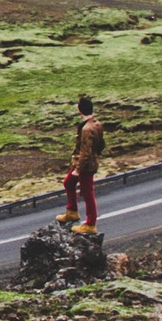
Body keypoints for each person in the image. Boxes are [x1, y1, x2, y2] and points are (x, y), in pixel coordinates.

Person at [61, 94, 104, 234]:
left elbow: (85, 152)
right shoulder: (96, 124)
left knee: (87, 193)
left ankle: (90, 223)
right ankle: (72, 211)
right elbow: (101, 145)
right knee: (68, 183)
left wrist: (78, 170)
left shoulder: (87, 129)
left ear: (80, 110)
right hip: (86, 162)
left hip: (85, 165)